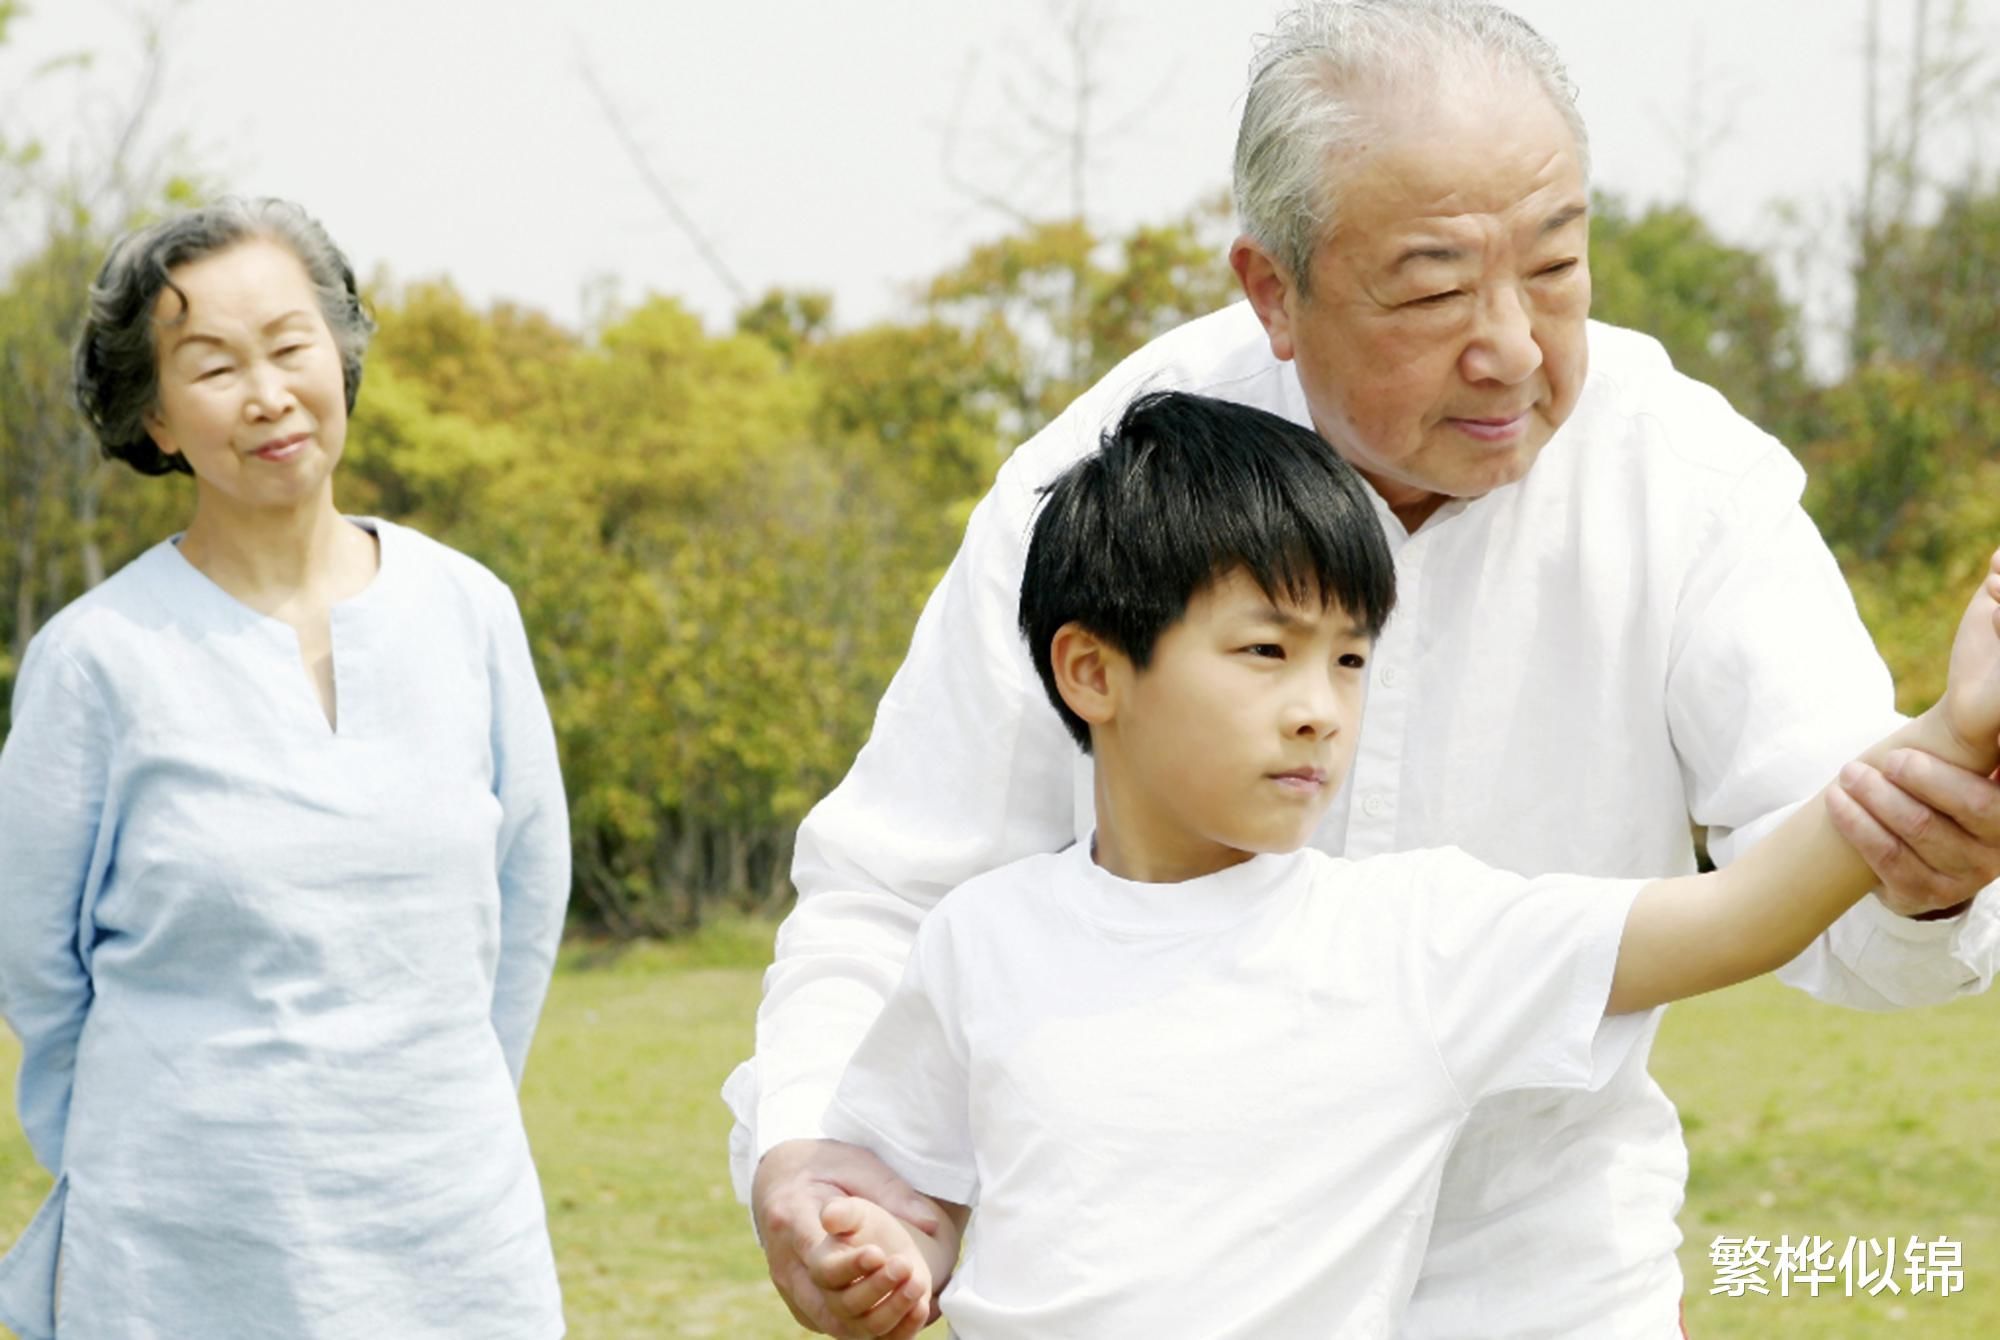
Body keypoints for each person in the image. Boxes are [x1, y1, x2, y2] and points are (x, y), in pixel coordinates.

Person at [727, 3, 2000, 1336]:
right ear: (1274, 288)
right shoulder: (1107, 486)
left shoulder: (1687, 486)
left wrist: (1933, 844)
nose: (1510, 343)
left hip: (1548, 1285)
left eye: (1556, 268)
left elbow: (1819, 879)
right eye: (1437, 287)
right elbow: (899, 884)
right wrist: (822, 1159)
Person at [790, 390, 2000, 1338]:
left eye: (1350, 662)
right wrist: (891, 1258)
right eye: (1265, 650)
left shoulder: (1412, 939)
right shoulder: (979, 940)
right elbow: (919, 1190)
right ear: (1092, 671)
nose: (1319, 709)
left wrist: (1953, 730)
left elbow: (1744, 909)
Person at [0, 198, 571, 1339]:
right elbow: (37, 968)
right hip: (179, 1251)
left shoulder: (466, 609)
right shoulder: (96, 660)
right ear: (155, 418)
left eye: (290, 343)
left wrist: (421, 1109)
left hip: (450, 1234)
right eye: (213, 365)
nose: (267, 392)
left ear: (341, 355)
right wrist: (158, 1150)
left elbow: (523, 895)